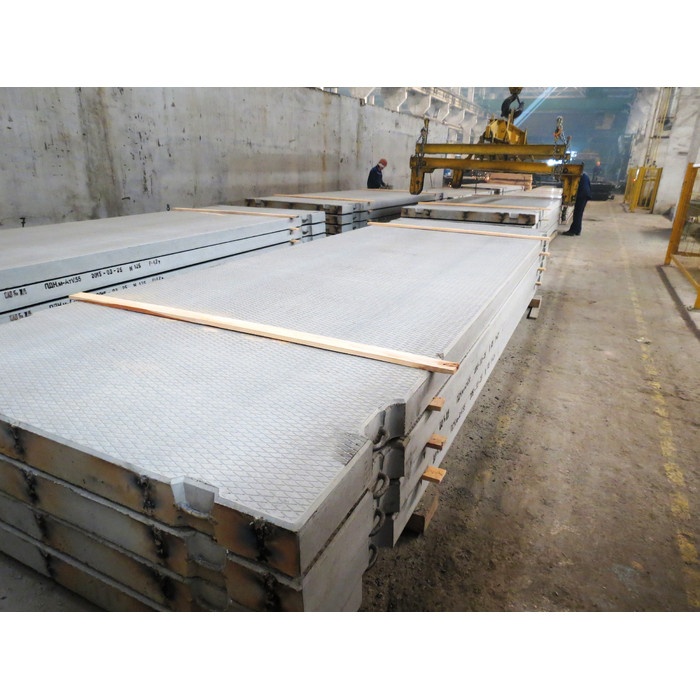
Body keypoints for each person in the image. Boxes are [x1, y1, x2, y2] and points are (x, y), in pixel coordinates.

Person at [563, 168, 592, 236]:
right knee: (579, 213)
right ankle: (577, 230)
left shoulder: (578, 176)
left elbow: (574, 186)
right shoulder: (584, 175)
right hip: (585, 195)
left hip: (581, 196)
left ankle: (573, 231)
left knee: (577, 213)